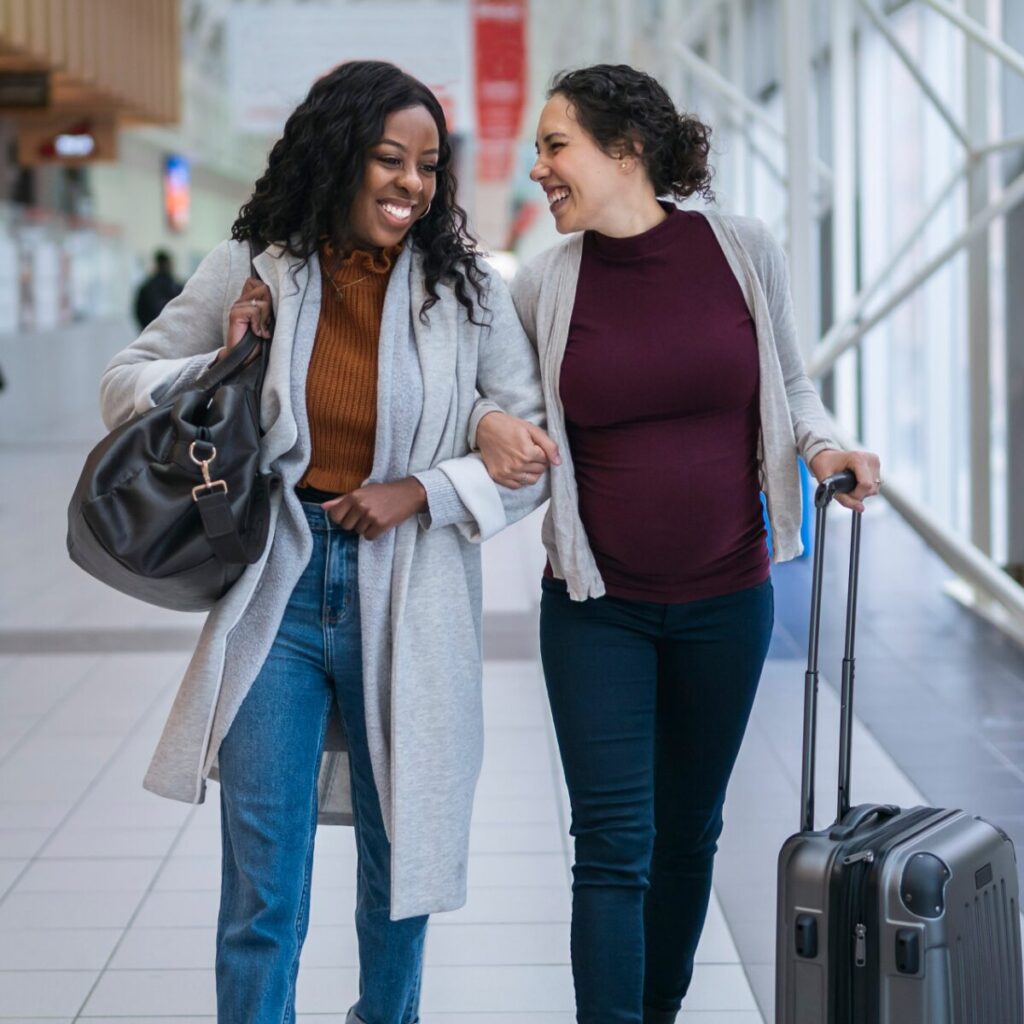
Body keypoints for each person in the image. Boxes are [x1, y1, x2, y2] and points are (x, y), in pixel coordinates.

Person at [99, 60, 550, 1024]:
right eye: (389, 159)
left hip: (414, 586)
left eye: (428, 165)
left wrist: (421, 491)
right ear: (340, 155)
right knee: (265, 881)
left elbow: (533, 455)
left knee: (401, 869)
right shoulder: (257, 264)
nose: (411, 184)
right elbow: (122, 383)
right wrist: (224, 360)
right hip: (282, 588)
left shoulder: (463, 292)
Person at [472, 64, 882, 1024]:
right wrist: (491, 420)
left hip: (729, 598)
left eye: (554, 144)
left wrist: (824, 448)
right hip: (595, 607)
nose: (539, 168)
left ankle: (658, 1009)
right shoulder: (544, 285)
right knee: (613, 841)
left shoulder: (740, 249)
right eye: (536, 148)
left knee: (689, 833)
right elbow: (503, 404)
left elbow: (791, 381)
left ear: (627, 150)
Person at [133, 249, 183, 329]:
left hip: (153, 332)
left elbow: (139, 313)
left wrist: (147, 329)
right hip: (173, 332)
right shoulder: (175, 286)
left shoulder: (146, 287)